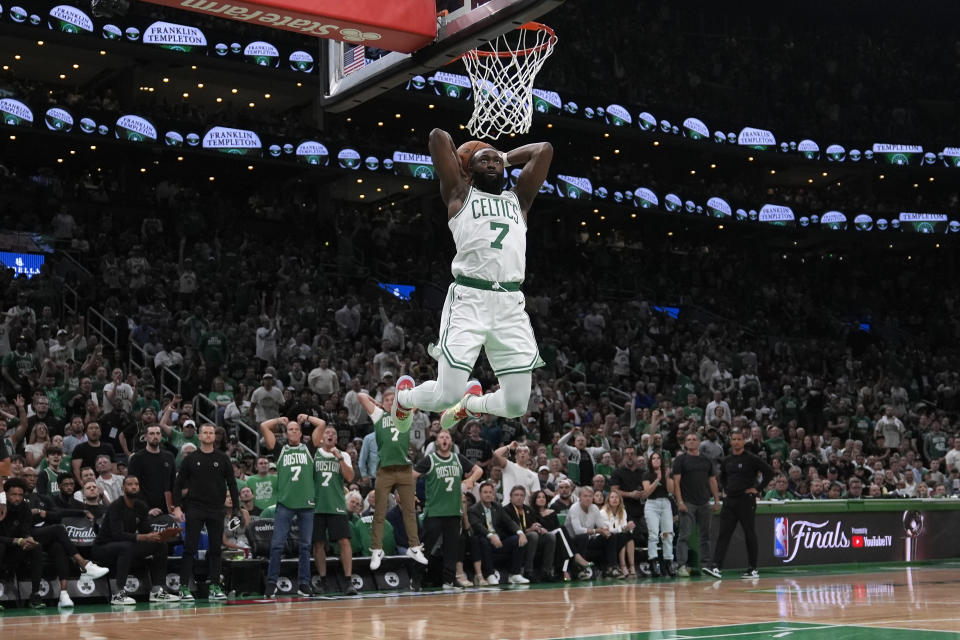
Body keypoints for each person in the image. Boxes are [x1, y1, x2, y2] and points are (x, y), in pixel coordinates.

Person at [392, 130, 554, 435]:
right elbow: (438, 137)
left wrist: (504, 156)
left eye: (497, 160)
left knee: (517, 404)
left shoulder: (519, 200)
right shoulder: (459, 195)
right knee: (444, 395)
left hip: (510, 304)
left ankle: (471, 404)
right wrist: (461, 158)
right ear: (469, 170)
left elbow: (543, 150)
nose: (493, 163)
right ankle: (404, 398)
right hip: (470, 298)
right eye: (484, 160)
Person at [355, 389, 428, 570]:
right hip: (385, 470)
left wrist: (406, 397)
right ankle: (377, 550)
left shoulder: (405, 413)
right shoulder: (378, 415)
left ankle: (414, 547)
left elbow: (419, 398)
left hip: (404, 469)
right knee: (379, 512)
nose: (389, 402)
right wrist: (376, 403)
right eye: (386, 399)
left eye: (392, 399)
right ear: (383, 403)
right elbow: (361, 396)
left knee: (410, 510)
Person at [172, 423, 240, 601]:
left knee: (216, 549)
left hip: (216, 508)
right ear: (199, 436)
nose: (209, 435)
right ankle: (184, 587)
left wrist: (236, 509)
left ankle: (215, 586)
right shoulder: (191, 458)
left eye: (211, 433)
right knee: (190, 548)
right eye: (205, 433)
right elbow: (178, 484)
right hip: (195, 508)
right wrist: (177, 506)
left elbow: (232, 483)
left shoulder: (223, 458)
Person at [91, 475, 181, 605]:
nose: (134, 487)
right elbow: (117, 535)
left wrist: (160, 535)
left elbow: (146, 530)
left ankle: (157, 590)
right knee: (126, 546)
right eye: (130, 484)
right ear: (123, 488)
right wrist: (145, 537)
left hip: (126, 545)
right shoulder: (116, 506)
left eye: (136, 484)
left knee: (160, 545)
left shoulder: (141, 506)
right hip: (103, 547)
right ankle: (118, 594)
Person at [413, 429, 482, 589]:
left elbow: (479, 470)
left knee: (452, 549)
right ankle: (415, 579)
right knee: (426, 549)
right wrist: (411, 493)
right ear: (437, 442)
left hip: (453, 512)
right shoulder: (429, 459)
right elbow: (411, 475)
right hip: (434, 512)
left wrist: (470, 480)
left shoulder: (458, 459)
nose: (444, 439)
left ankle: (448, 581)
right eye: (441, 437)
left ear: (451, 442)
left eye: (447, 437)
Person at [705, 428, 775, 580]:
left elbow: (769, 472)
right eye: (734, 439)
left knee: (749, 533)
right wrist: (724, 489)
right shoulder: (727, 460)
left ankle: (753, 568)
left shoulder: (751, 458)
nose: (736, 442)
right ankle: (716, 566)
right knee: (724, 533)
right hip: (730, 501)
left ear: (744, 441)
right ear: (730, 441)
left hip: (746, 500)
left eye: (739, 439)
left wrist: (757, 489)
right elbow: (722, 477)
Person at [259, 416, 315, 598]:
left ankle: (304, 584)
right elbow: (263, 426)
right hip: (285, 503)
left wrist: (306, 418)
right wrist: (278, 420)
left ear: (300, 433)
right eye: (290, 429)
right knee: (276, 545)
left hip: (306, 503)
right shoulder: (280, 449)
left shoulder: (309, 448)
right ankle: (272, 583)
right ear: (286, 432)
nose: (293, 431)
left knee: (305, 546)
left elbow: (321, 424)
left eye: (296, 429)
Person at [308, 416, 359, 596]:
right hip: (317, 504)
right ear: (321, 438)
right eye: (327, 432)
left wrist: (340, 459)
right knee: (318, 544)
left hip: (337, 504)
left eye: (333, 433)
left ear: (337, 439)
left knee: (344, 541)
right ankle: (322, 580)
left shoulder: (342, 455)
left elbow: (350, 477)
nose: (330, 435)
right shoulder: (314, 454)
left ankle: (348, 580)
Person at [671, 432, 721, 578]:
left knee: (705, 535)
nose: (691, 442)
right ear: (685, 444)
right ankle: (681, 565)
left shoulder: (707, 460)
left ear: (699, 442)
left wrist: (717, 500)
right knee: (684, 535)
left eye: (694, 439)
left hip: (704, 502)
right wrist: (679, 501)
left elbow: (712, 481)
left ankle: (705, 565)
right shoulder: (680, 460)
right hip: (687, 502)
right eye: (688, 440)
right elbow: (676, 483)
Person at [467, 481, 529, 585]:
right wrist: (491, 536)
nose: (488, 494)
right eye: (485, 492)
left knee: (518, 539)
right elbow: (478, 527)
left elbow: (509, 521)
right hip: (485, 540)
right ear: (480, 494)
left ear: (493, 494)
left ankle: (515, 574)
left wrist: (520, 533)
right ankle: (490, 575)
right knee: (483, 540)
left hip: (499, 541)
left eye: (490, 492)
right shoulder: (473, 509)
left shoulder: (497, 506)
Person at [0, 477, 47, 608]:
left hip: (15, 551)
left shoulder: (24, 508)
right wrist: (16, 540)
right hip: (4, 547)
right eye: (13, 494)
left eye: (20, 495)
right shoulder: (1, 508)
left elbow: (25, 530)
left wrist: (28, 539)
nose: (17, 498)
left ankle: (35, 594)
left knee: (37, 547)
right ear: (6, 495)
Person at [564, 485, 616, 578]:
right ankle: (580, 568)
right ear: (579, 497)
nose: (588, 498)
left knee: (610, 537)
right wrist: (597, 531)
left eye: (590, 496)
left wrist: (605, 530)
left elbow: (601, 525)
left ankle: (611, 568)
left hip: (589, 539)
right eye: (585, 496)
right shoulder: (574, 508)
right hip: (573, 541)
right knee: (583, 536)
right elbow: (578, 531)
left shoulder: (594, 508)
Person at [506, 485, 555, 582]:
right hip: (515, 538)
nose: (519, 497)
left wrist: (540, 528)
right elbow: (509, 530)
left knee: (550, 536)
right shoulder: (506, 510)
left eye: (521, 495)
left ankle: (547, 571)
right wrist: (529, 530)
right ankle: (528, 571)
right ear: (511, 497)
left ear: (524, 497)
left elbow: (534, 524)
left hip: (531, 537)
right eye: (516, 495)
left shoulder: (528, 510)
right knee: (533, 535)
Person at [126, 424, 176, 515]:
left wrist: (174, 507)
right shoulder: (137, 458)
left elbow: (173, 484)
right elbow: (133, 487)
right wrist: (146, 509)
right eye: (152, 434)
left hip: (167, 509)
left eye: (158, 433)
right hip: (145, 510)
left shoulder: (169, 457)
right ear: (145, 437)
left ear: (161, 436)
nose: (155, 436)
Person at [642, 451, 676, 577]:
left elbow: (671, 491)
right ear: (650, 461)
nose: (656, 460)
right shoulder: (647, 475)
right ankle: (653, 561)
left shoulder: (667, 473)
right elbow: (647, 493)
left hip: (665, 502)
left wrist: (666, 477)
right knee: (653, 534)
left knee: (668, 533)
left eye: (658, 458)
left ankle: (668, 561)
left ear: (662, 460)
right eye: (653, 458)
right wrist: (658, 479)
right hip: (651, 504)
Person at [493, 441, 540, 505]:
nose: (522, 453)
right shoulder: (509, 466)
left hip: (524, 509)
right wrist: (509, 446)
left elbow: (535, 497)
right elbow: (496, 454)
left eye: (525, 451)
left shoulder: (534, 475)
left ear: (529, 457)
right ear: (515, 456)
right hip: (508, 507)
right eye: (519, 451)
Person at [602, 490, 636, 578]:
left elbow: (624, 526)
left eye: (616, 497)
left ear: (620, 500)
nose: (614, 499)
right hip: (606, 537)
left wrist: (629, 527)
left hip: (619, 535)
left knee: (629, 536)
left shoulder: (623, 511)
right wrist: (624, 528)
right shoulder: (603, 512)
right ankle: (623, 566)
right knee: (621, 536)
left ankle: (632, 566)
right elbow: (609, 529)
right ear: (608, 500)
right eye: (612, 497)